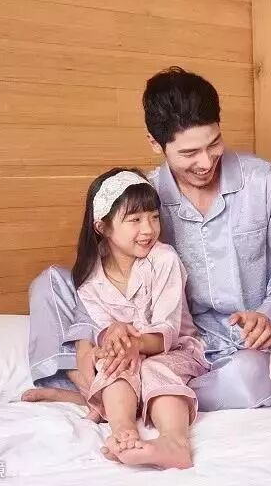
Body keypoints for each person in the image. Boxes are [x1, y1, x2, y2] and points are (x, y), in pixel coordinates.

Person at [23, 67, 271, 414]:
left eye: (213, 144)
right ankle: (104, 387)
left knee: (251, 379)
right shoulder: (145, 197)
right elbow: (105, 274)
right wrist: (91, 339)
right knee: (50, 284)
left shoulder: (267, 182)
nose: (205, 161)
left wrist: (270, 315)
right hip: (168, 338)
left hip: (243, 347)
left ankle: (119, 395)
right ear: (155, 143)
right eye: (189, 153)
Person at [69, 168, 206, 468]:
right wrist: (112, 341)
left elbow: (168, 329)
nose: (148, 229)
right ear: (102, 227)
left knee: (153, 367)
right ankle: (123, 431)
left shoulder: (164, 259)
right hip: (131, 355)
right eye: (135, 220)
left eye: (154, 217)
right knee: (114, 363)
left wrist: (133, 343)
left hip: (175, 350)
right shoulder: (90, 280)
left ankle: (175, 442)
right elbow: (104, 330)